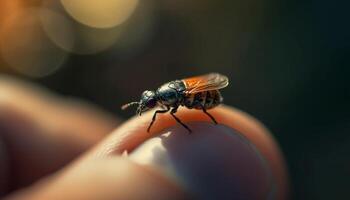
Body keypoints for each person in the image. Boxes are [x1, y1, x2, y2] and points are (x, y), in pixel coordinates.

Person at [0, 76, 288, 200]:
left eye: (151, 105)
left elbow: (178, 105)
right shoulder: (164, 99)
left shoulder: (171, 99)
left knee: (191, 109)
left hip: (201, 95)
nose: (151, 108)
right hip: (187, 95)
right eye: (150, 105)